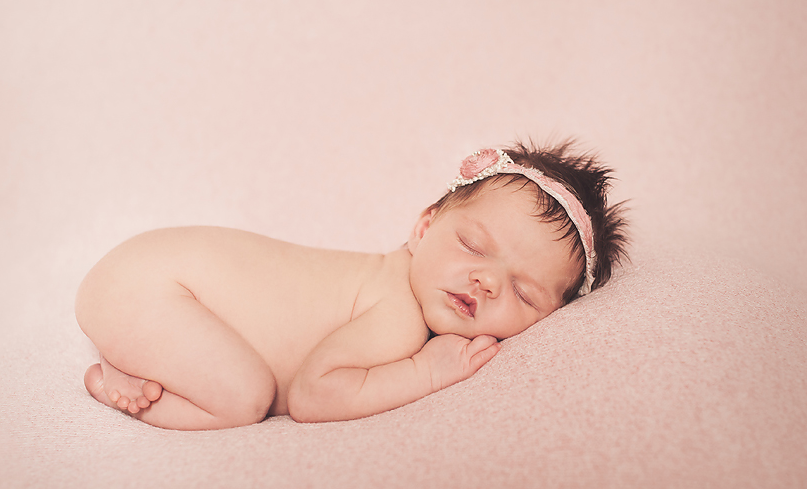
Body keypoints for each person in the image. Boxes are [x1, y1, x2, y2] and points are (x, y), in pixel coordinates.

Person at [76, 141, 628, 430]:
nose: (486, 281)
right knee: (242, 398)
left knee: (236, 382)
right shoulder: (397, 309)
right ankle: (117, 381)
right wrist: (428, 371)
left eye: (524, 294)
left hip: (154, 279)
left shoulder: (388, 288)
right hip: (154, 284)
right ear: (424, 226)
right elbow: (315, 396)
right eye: (474, 247)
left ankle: (139, 350)